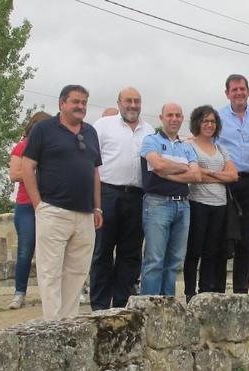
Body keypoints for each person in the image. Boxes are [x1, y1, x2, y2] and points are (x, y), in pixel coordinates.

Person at [21, 85, 103, 321]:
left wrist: (97, 207)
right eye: (75, 101)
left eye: (84, 102)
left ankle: (67, 323)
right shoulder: (43, 130)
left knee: (77, 272)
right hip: (53, 210)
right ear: (62, 103)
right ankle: (52, 325)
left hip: (85, 213)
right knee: (50, 272)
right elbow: (27, 167)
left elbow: (95, 171)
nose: (80, 106)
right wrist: (39, 206)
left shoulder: (90, 132)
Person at [89, 87, 154, 310]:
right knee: (102, 252)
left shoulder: (150, 131)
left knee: (131, 253)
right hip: (108, 194)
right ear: (119, 103)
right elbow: (91, 163)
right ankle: (99, 306)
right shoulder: (103, 126)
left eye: (137, 101)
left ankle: (121, 304)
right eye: (128, 101)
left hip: (137, 197)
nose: (133, 105)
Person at [216, 74, 249, 294]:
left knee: (246, 239)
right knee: (222, 236)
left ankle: (241, 290)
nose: (239, 93)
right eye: (234, 89)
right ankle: (218, 290)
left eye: (242, 89)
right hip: (225, 183)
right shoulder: (217, 116)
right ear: (227, 93)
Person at [140, 103, 201, 296]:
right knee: (155, 260)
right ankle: (148, 307)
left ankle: (169, 305)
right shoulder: (151, 141)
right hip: (158, 203)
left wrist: (167, 172)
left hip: (182, 205)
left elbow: (196, 176)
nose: (174, 119)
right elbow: (157, 164)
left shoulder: (187, 147)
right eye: (170, 115)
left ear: (182, 119)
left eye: (178, 115)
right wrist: (183, 168)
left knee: (174, 260)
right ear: (161, 117)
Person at [184, 105, 238, 302]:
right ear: (197, 122)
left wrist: (209, 173)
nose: (209, 125)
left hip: (220, 206)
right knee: (194, 249)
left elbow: (233, 176)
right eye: (205, 121)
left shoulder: (220, 148)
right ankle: (190, 292)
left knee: (212, 251)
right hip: (198, 202)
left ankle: (205, 291)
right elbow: (193, 175)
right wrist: (218, 176)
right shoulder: (189, 146)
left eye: (213, 121)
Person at [8, 111, 52, 310]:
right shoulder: (22, 146)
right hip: (26, 205)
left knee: (53, 251)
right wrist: (36, 169)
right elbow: (14, 174)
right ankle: (19, 293)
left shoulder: (52, 147)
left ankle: (57, 292)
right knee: (26, 251)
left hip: (51, 202)